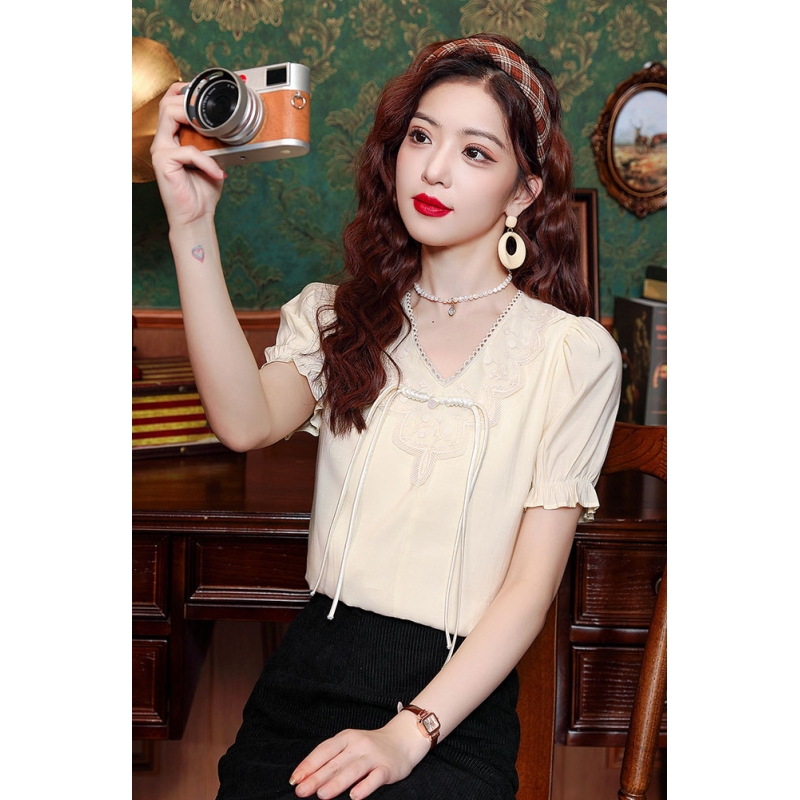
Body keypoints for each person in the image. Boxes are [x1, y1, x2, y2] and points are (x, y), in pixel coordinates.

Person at [151, 32, 622, 800]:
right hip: (308, 678)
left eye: (476, 152)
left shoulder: (571, 354)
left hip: (451, 709)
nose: (434, 169)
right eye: (421, 138)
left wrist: (409, 734)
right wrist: (191, 226)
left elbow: (528, 591)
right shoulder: (337, 317)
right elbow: (243, 423)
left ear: (522, 194)